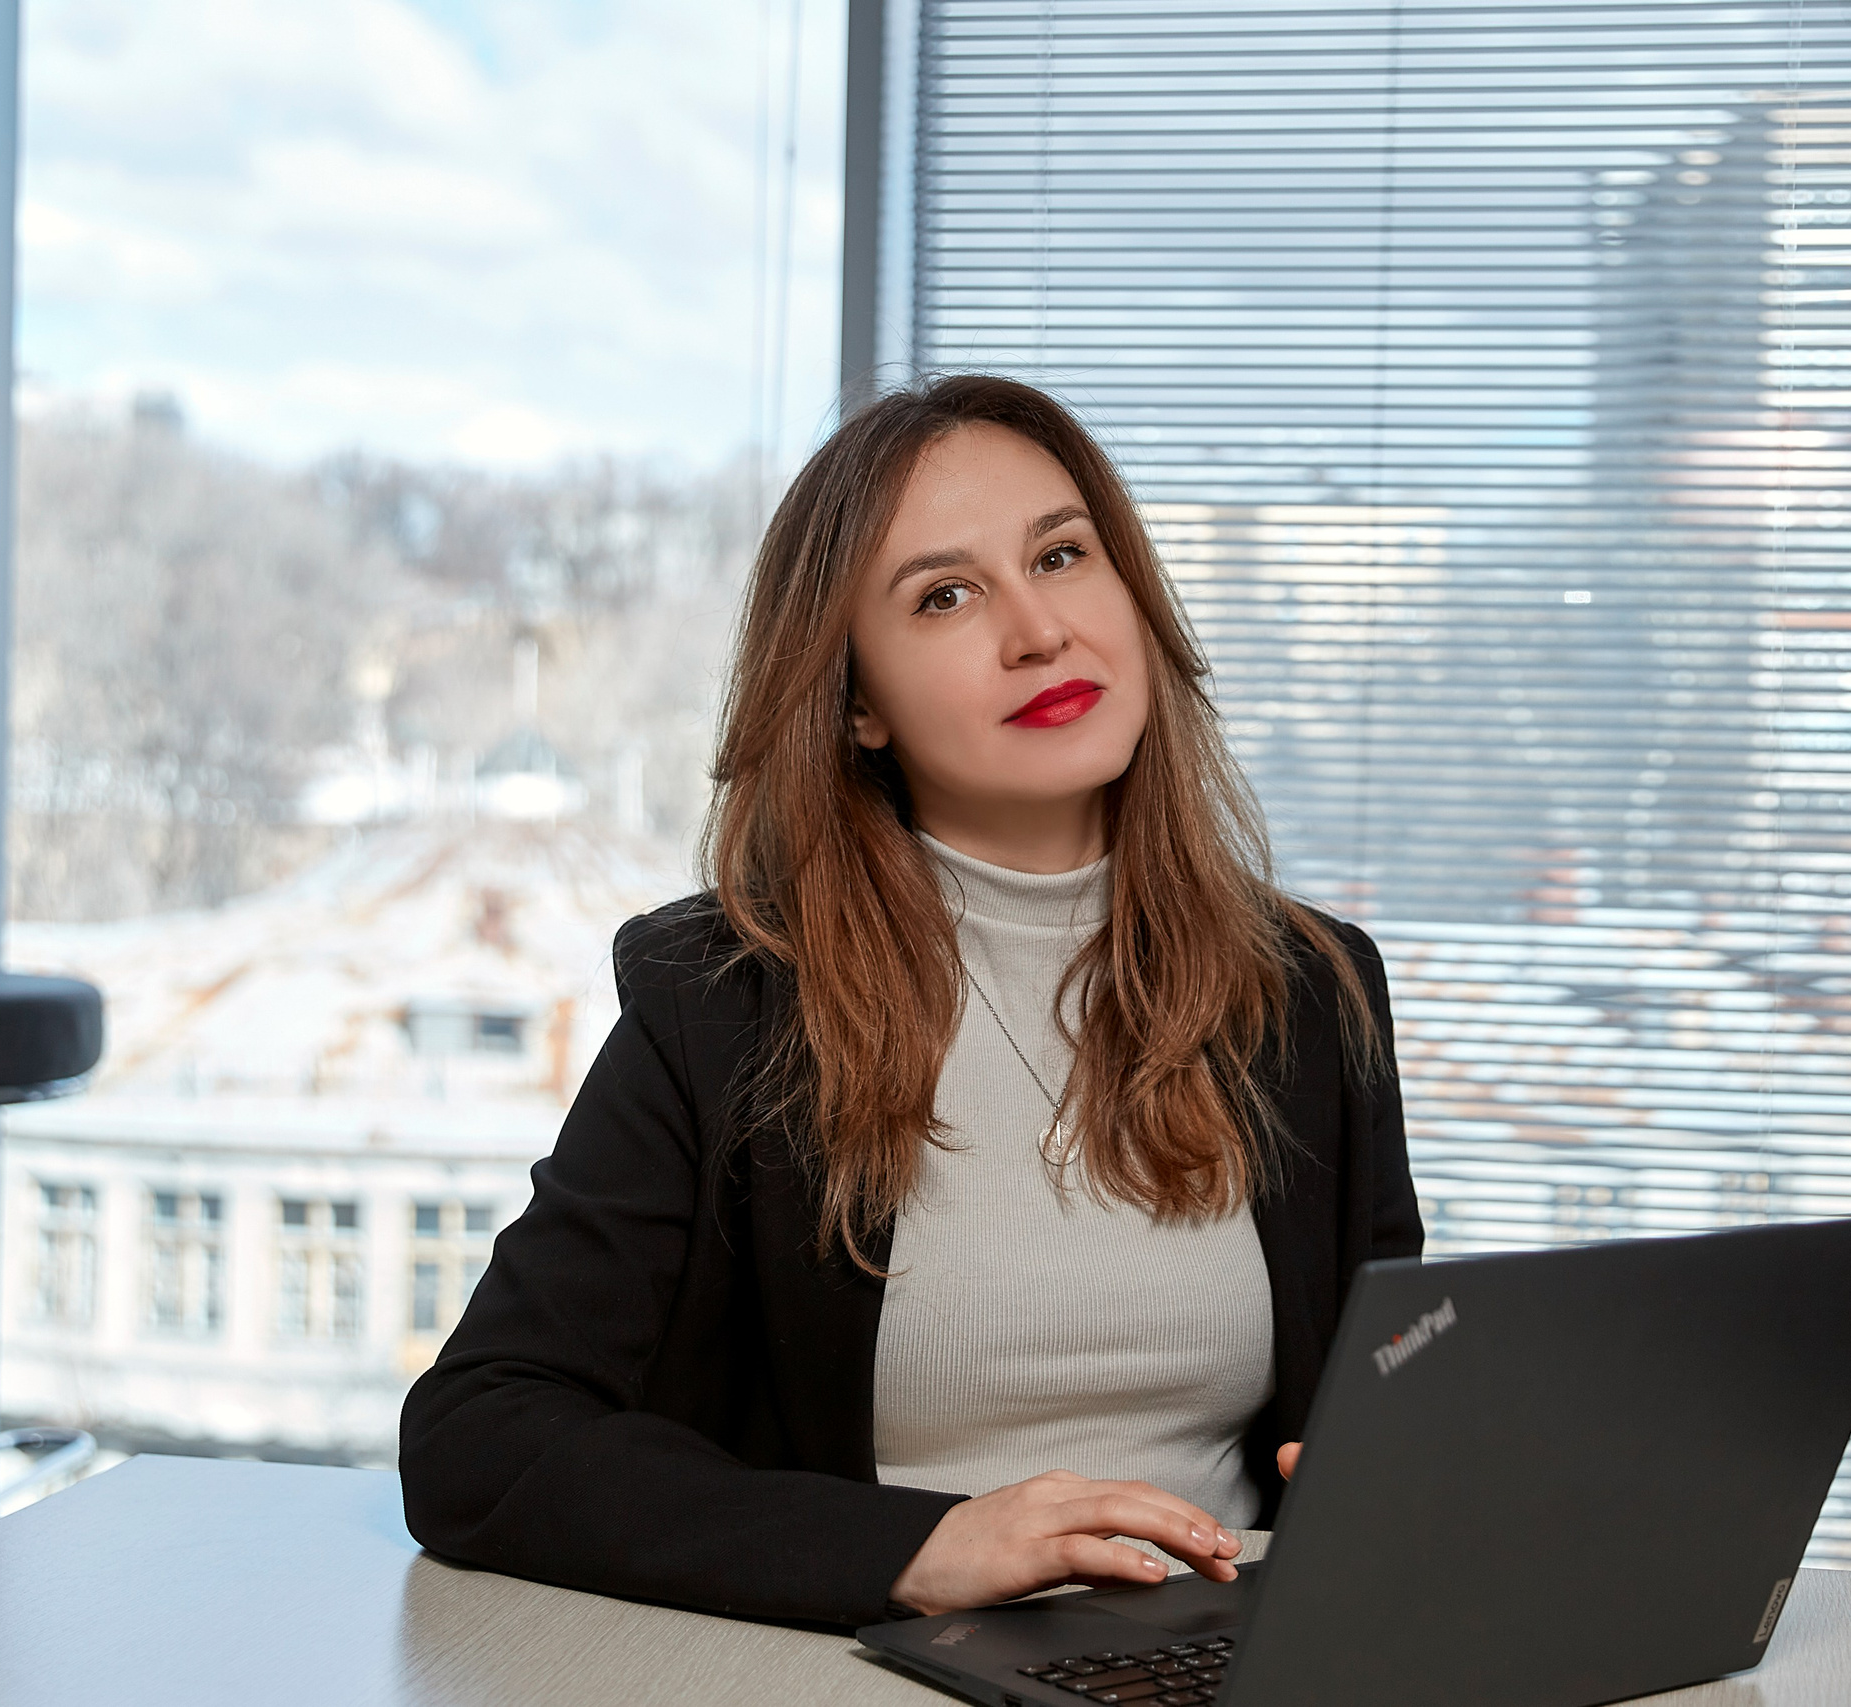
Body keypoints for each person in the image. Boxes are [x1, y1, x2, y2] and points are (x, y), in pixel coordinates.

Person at [399, 374, 1420, 1629]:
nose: (1038, 630)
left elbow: (1373, 1402)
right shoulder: (722, 1003)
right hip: (882, 1665)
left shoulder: (1312, 990)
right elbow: (477, 1436)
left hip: (1230, 1662)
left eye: (1062, 555)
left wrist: (1402, 1478)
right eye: (945, 595)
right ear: (859, 702)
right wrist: (916, 1550)